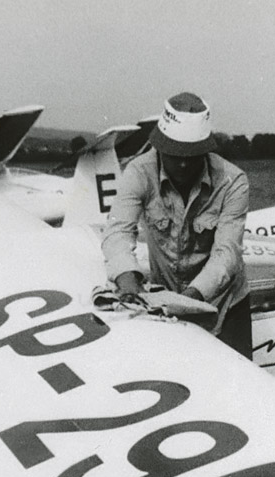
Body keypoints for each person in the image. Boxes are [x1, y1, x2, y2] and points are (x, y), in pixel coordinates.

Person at [100, 92, 252, 358]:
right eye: (174, 153)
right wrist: (128, 281)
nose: (182, 162)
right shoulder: (138, 172)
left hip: (224, 305)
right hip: (165, 301)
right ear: (159, 146)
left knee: (237, 389)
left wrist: (189, 300)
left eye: (192, 155)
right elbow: (117, 231)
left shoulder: (233, 181)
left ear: (206, 151)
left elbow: (226, 255)